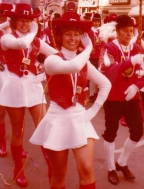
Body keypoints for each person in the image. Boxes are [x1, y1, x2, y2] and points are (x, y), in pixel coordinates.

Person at [30, 11, 111, 189]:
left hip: (80, 118)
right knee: (59, 175)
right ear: (60, 36)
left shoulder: (84, 62)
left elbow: (105, 84)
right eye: (68, 34)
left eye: (76, 34)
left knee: (87, 169)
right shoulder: (52, 60)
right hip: (57, 118)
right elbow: (72, 65)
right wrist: (89, 49)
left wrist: (92, 111)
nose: (73, 38)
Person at [0, 3, 58, 187]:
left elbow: (56, 56)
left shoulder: (36, 41)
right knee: (18, 130)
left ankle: (52, 168)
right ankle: (18, 168)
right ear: (14, 21)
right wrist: (34, 31)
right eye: (22, 20)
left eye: (29, 20)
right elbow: (22, 43)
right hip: (15, 86)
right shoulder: (6, 38)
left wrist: (45, 70)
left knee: (44, 127)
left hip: (33, 86)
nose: (25, 24)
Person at [99, 15, 144, 185]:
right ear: (117, 31)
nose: (129, 34)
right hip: (114, 98)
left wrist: (136, 86)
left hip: (131, 97)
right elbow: (109, 72)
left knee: (137, 131)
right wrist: (130, 61)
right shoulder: (109, 48)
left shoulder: (136, 47)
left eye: (131, 31)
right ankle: (110, 168)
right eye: (125, 31)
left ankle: (121, 162)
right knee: (111, 133)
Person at [0, 3, 14, 157]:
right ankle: (2, 142)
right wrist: (7, 23)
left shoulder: (14, 30)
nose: (4, 15)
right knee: (0, 110)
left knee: (17, 112)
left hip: (14, 72)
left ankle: (18, 146)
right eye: (2, 12)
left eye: (8, 13)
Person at [88, 13, 105, 103]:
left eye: (98, 21)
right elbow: (87, 42)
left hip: (100, 56)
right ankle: (92, 94)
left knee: (99, 75)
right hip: (92, 56)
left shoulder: (102, 31)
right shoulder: (90, 31)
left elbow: (104, 42)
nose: (96, 23)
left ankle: (98, 94)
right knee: (92, 76)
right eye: (94, 21)